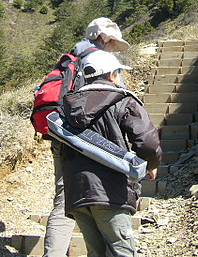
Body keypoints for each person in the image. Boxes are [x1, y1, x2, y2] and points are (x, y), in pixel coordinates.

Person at [61, 50, 162, 257]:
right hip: (110, 191)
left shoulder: (69, 106)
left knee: (96, 252)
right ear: (111, 75)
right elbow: (148, 143)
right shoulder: (122, 101)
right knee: (121, 251)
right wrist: (151, 165)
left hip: (77, 191)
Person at [43, 18, 131, 257]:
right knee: (103, 197)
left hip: (62, 138)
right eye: (113, 42)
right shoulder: (100, 62)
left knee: (64, 196)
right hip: (94, 142)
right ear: (105, 38)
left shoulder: (69, 59)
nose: (113, 48)